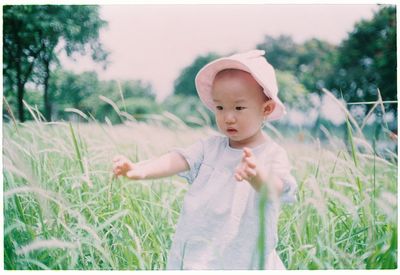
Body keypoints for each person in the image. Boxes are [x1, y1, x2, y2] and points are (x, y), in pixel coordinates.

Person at [112, 50, 297, 270]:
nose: (228, 117)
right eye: (220, 107)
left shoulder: (272, 154)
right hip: (201, 257)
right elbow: (177, 159)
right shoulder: (210, 148)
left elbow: (277, 189)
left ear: (266, 108)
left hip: (246, 258)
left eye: (239, 107)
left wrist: (256, 176)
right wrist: (139, 170)